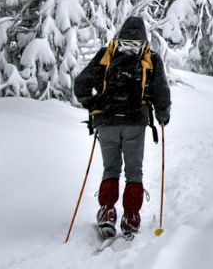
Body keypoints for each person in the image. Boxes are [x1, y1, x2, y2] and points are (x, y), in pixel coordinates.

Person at [73, 16, 171, 238]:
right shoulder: (150, 57)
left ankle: (107, 212)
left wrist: (93, 104)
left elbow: (81, 85)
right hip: (135, 122)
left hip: (106, 121)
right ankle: (131, 217)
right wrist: (163, 115)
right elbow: (161, 93)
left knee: (111, 169)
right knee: (134, 171)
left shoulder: (107, 53)